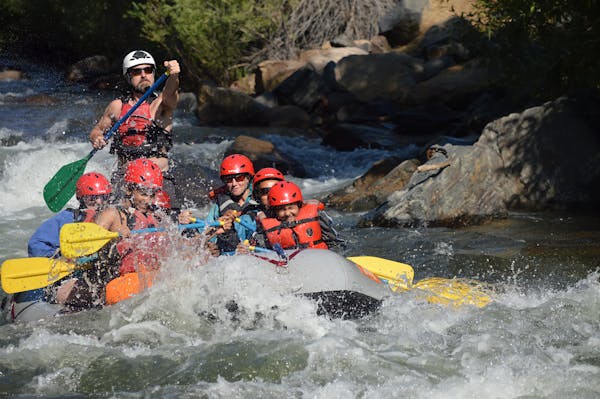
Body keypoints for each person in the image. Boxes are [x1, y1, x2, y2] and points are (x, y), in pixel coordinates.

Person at [5, 172, 112, 320]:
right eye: (92, 199)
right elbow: (36, 244)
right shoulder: (68, 218)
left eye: (104, 198)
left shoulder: (112, 219)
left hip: (89, 274)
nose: (99, 203)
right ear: (81, 199)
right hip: (61, 276)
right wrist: (58, 256)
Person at [88, 50, 181, 203]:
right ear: (128, 76)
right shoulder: (117, 106)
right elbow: (97, 130)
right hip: (126, 180)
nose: (144, 75)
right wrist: (96, 138)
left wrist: (174, 76)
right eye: (137, 71)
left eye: (148, 70)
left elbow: (171, 91)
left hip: (157, 180)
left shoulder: (162, 105)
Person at [246, 181, 346, 253]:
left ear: (299, 205)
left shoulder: (316, 216)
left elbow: (335, 243)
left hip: (320, 262)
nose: (288, 213)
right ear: (275, 211)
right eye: (282, 209)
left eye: (291, 208)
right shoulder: (268, 227)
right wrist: (246, 248)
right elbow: (258, 250)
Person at [206, 154, 260, 254]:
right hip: (230, 255)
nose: (234, 183)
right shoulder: (219, 205)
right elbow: (204, 234)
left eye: (239, 178)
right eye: (229, 179)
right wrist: (209, 246)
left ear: (248, 177)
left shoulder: (261, 199)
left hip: (255, 251)